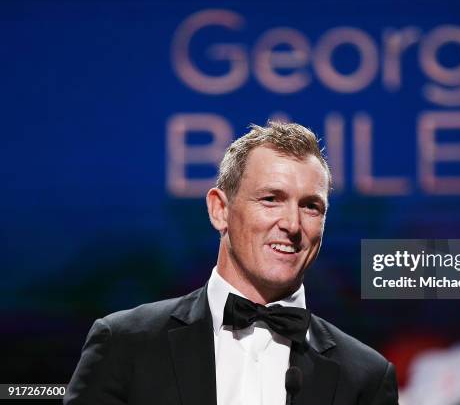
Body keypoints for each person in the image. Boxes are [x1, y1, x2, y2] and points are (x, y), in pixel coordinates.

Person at [65, 121, 399, 405]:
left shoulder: (366, 376)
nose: (293, 225)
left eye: (311, 206)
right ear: (219, 210)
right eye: (271, 199)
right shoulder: (124, 344)